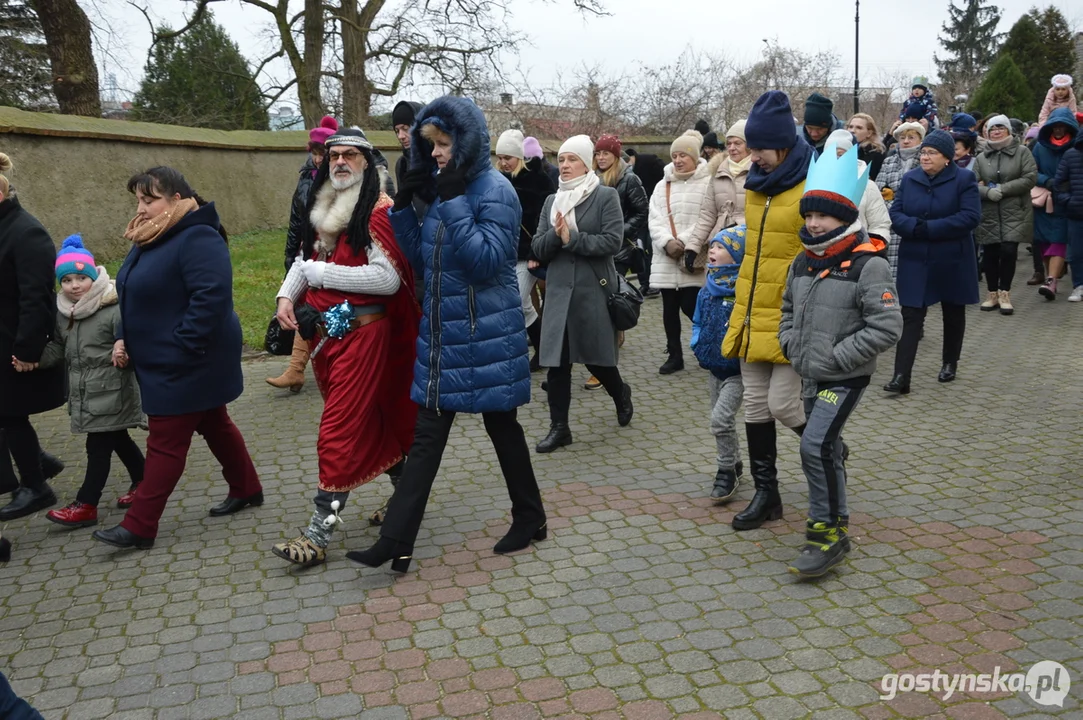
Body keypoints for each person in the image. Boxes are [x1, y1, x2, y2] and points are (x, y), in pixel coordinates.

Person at [347, 95, 546, 572]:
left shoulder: (496, 190)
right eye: (430, 145)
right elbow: (421, 260)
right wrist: (406, 210)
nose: (435, 153)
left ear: (467, 142)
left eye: (443, 143)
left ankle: (531, 517)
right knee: (428, 438)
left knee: (503, 429)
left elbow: (484, 263)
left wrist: (453, 202)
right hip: (443, 335)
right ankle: (396, 539)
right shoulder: (444, 189)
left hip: (486, 336)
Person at [270, 129, 420, 567]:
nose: (338, 162)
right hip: (328, 339)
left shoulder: (377, 212)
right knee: (373, 422)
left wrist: (318, 276)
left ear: (366, 161)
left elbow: (387, 279)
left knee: (337, 430)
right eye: (333, 155)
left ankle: (318, 534)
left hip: (364, 338)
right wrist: (286, 294)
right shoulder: (327, 207)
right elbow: (305, 261)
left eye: (349, 155)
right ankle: (407, 498)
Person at [92, 167, 263, 549]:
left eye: (149, 200)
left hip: (192, 358)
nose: (141, 207)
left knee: (166, 442)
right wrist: (122, 336)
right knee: (214, 422)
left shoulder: (198, 236)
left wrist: (182, 347)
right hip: (165, 356)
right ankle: (247, 488)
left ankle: (139, 526)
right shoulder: (150, 235)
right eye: (138, 199)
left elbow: (212, 298)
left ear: (177, 199)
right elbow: (131, 292)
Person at [779, 141, 902, 577]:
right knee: (825, 447)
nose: (813, 223)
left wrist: (837, 357)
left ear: (846, 217)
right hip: (809, 371)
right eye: (809, 215)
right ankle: (839, 517)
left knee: (813, 446)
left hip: (844, 376)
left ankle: (825, 532)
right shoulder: (803, 261)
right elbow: (788, 309)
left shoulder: (868, 265)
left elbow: (887, 326)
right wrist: (790, 343)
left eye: (823, 215)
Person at [722, 90, 814, 531]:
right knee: (755, 406)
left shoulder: (812, 184)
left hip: (791, 313)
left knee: (782, 403)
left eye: (759, 149)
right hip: (751, 306)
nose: (752, 157)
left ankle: (824, 440)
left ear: (783, 144)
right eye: (750, 148)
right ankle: (767, 494)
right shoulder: (756, 187)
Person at [18, 237, 144, 528]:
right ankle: (144, 480)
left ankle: (86, 504)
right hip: (87, 393)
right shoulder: (65, 314)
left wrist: (123, 348)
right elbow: (59, 349)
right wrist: (34, 359)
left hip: (113, 390)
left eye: (82, 278)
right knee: (119, 439)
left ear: (94, 277)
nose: (75, 285)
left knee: (97, 446)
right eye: (68, 280)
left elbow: (136, 338)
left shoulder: (112, 307)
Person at [532, 135, 633, 452]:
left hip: (592, 288)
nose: (564, 165)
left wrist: (572, 238)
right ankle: (559, 427)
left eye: (571, 159)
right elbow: (536, 246)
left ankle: (620, 393)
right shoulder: (552, 201)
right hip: (559, 291)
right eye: (561, 159)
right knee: (558, 363)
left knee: (596, 359)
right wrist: (555, 236)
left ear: (587, 162)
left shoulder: (605, 196)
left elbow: (612, 242)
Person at [884, 130, 980, 395]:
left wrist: (932, 228)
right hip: (916, 256)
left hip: (952, 258)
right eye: (923, 152)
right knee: (911, 313)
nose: (925, 157)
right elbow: (896, 212)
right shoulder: (910, 179)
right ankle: (901, 375)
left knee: (953, 311)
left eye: (931, 153)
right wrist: (915, 228)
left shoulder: (965, 179)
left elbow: (970, 217)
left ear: (947, 158)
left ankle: (950, 362)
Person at [0, 152, 66, 522]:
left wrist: (27, 349)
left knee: (10, 414)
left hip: (14, 343)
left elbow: (37, 297)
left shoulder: (27, 231)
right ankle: (40, 462)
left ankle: (36, 486)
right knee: (7, 414)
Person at [267, 115, 337, 392]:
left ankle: (314, 365)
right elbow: (296, 221)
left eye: (324, 153)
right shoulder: (306, 179)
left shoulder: (345, 180)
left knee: (324, 310)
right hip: (308, 254)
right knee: (305, 307)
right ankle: (296, 369)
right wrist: (291, 258)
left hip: (332, 258)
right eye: (316, 153)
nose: (319, 159)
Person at [648, 129, 714, 375]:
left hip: (691, 255)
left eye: (683, 155)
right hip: (666, 255)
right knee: (668, 308)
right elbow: (654, 217)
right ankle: (674, 355)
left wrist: (684, 242)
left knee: (691, 305)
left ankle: (706, 346)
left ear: (695, 157)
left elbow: (708, 217)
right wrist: (666, 242)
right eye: (674, 155)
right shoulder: (661, 184)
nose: (677, 160)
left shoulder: (708, 182)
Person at [690, 226, 745, 503]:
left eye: (720, 247)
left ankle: (725, 471)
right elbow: (697, 321)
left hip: (739, 371)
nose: (712, 251)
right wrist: (696, 342)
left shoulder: (745, 292)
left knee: (720, 419)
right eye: (711, 246)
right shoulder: (706, 289)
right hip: (713, 367)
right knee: (722, 421)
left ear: (737, 254)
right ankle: (735, 463)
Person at [495, 128, 555, 371]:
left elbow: (547, 222)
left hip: (528, 254)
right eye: (499, 157)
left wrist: (535, 254)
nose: (503, 163)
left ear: (519, 156)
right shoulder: (497, 180)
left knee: (517, 299)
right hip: (504, 253)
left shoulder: (540, 180)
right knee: (524, 305)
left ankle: (543, 349)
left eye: (507, 157)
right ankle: (542, 350)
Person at [973, 114, 1037, 315]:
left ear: (1009, 130)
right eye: (992, 129)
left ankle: (1005, 292)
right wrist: (987, 191)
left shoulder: (1022, 152)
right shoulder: (981, 158)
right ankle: (992, 293)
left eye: (1001, 128)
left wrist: (1003, 188)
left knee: (1009, 251)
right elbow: (972, 184)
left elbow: (1029, 178)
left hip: (1015, 211)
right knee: (990, 253)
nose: (996, 131)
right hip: (989, 211)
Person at [1033, 110, 1080, 297]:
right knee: (1044, 241)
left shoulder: (1076, 147)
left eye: (1062, 126)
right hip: (1044, 201)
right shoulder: (1039, 147)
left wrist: (1067, 184)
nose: (1059, 129)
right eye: (1055, 126)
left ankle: (1051, 280)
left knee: (1060, 240)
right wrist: (1047, 181)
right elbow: (1031, 171)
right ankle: (1050, 275)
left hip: (1066, 200)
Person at [689, 121, 749, 259]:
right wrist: (693, 247)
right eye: (729, 144)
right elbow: (707, 214)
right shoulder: (718, 171)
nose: (732, 148)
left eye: (737, 143)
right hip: (720, 243)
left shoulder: (760, 171)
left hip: (747, 244)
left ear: (749, 145)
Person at [876, 122, 926, 279]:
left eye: (911, 137)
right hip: (892, 216)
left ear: (920, 139)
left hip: (917, 217)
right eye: (902, 137)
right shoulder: (888, 161)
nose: (906, 141)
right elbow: (879, 189)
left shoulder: (925, 161)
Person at [825, 130, 891, 241]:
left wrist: (871, 248)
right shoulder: (815, 183)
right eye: (830, 154)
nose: (837, 158)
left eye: (841, 154)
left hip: (859, 250)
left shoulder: (867, 186)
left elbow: (880, 224)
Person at [626, 147, 666, 298]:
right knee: (640, 250)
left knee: (650, 247)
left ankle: (654, 283)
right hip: (640, 217)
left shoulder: (648, 161)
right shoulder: (632, 172)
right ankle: (645, 283)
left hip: (653, 212)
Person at [1055, 114, 1083, 300]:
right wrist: (1068, 200)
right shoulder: (1071, 154)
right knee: (1077, 253)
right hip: (1076, 212)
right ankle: (1079, 285)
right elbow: (1059, 183)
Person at [802, 92, 843, 158]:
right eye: (809, 128)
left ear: (829, 126)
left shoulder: (845, 140)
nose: (814, 134)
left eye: (819, 129)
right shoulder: (797, 142)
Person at [846, 113, 886, 181]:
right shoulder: (842, 150)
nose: (852, 131)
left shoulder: (875, 153)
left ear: (869, 133)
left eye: (859, 128)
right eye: (850, 127)